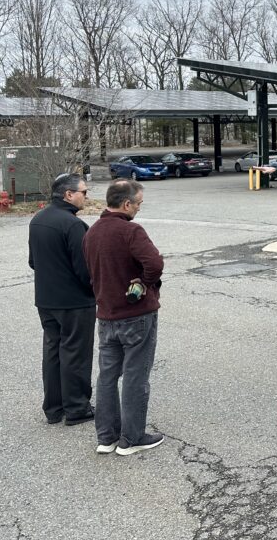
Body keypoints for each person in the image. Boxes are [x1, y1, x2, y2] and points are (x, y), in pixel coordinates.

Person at [83, 179, 165, 456]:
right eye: (139, 203)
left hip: (106, 314)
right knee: (135, 375)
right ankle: (132, 437)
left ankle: (106, 437)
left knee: (107, 375)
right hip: (136, 314)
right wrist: (145, 282)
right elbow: (155, 263)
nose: (140, 208)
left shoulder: (92, 232)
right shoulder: (131, 231)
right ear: (127, 203)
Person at [28, 173, 95, 426]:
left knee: (53, 352)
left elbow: (33, 261)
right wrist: (94, 291)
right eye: (83, 192)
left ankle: (54, 408)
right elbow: (84, 269)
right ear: (68, 194)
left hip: (46, 301)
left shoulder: (39, 219)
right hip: (74, 302)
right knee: (75, 353)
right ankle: (77, 408)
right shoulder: (72, 224)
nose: (86, 197)